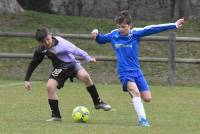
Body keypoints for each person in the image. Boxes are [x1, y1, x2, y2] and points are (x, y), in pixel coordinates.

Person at [91, 10, 184, 127]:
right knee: (136, 92)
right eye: (118, 26)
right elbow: (101, 39)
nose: (121, 29)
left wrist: (174, 25)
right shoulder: (114, 34)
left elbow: (153, 28)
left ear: (130, 25)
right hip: (124, 71)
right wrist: (95, 33)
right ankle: (143, 121)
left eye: (123, 27)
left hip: (137, 71)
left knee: (147, 98)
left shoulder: (135, 33)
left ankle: (134, 94)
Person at [24, 27, 112, 122]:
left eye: (48, 39)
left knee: (85, 76)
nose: (47, 43)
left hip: (72, 64)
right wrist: (26, 80)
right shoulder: (41, 49)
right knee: (50, 86)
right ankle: (56, 116)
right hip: (60, 68)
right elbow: (34, 63)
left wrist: (88, 58)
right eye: (43, 42)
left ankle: (98, 102)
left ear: (51, 35)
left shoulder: (62, 43)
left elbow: (76, 50)